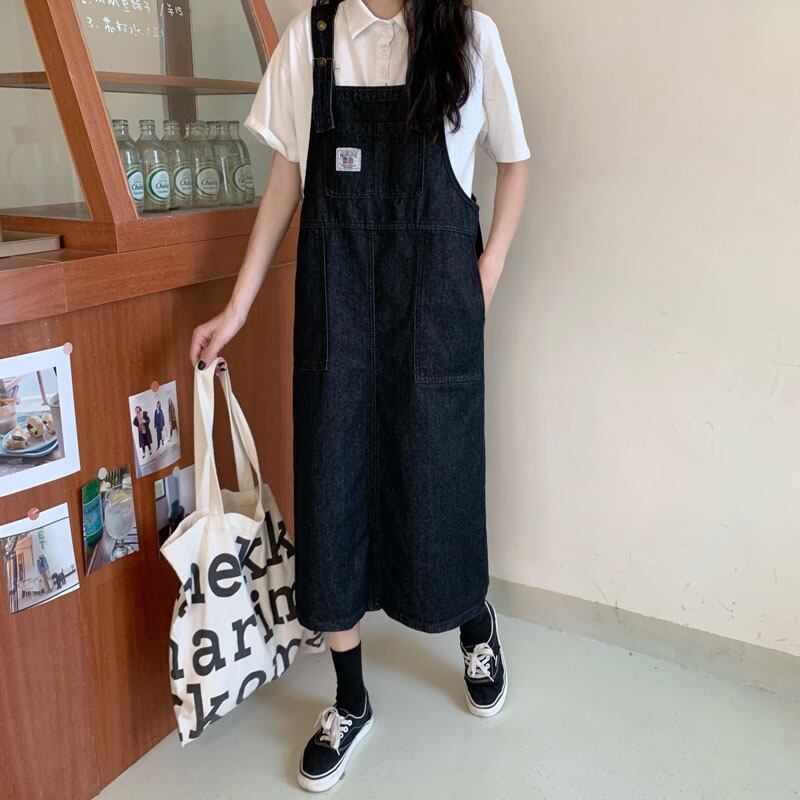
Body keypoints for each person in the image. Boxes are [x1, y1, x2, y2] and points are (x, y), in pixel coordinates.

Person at [190, 0, 529, 791]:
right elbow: (286, 180)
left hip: (436, 305)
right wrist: (238, 307)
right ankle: (350, 699)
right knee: (333, 487)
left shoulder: (470, 35)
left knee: (438, 479)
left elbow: (514, 161)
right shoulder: (310, 38)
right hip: (337, 306)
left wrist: (486, 274)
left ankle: (473, 623)